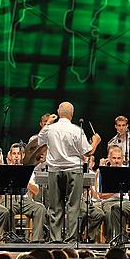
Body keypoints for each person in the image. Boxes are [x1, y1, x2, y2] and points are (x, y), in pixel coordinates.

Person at [38, 102, 101, 242]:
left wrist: (47, 123)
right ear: (72, 114)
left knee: (55, 206)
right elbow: (88, 152)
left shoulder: (50, 129)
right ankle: (72, 239)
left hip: (54, 170)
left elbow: (39, 141)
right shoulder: (76, 130)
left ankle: (56, 239)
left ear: (58, 113)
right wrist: (95, 141)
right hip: (73, 170)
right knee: (73, 206)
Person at [6, 143, 47, 242]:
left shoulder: (29, 171)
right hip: (9, 200)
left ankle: (36, 239)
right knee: (7, 209)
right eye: (14, 154)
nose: (16, 156)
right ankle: (12, 238)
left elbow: (36, 191)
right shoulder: (5, 170)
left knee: (40, 208)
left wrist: (24, 180)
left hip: (25, 201)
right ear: (10, 155)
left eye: (19, 154)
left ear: (23, 155)